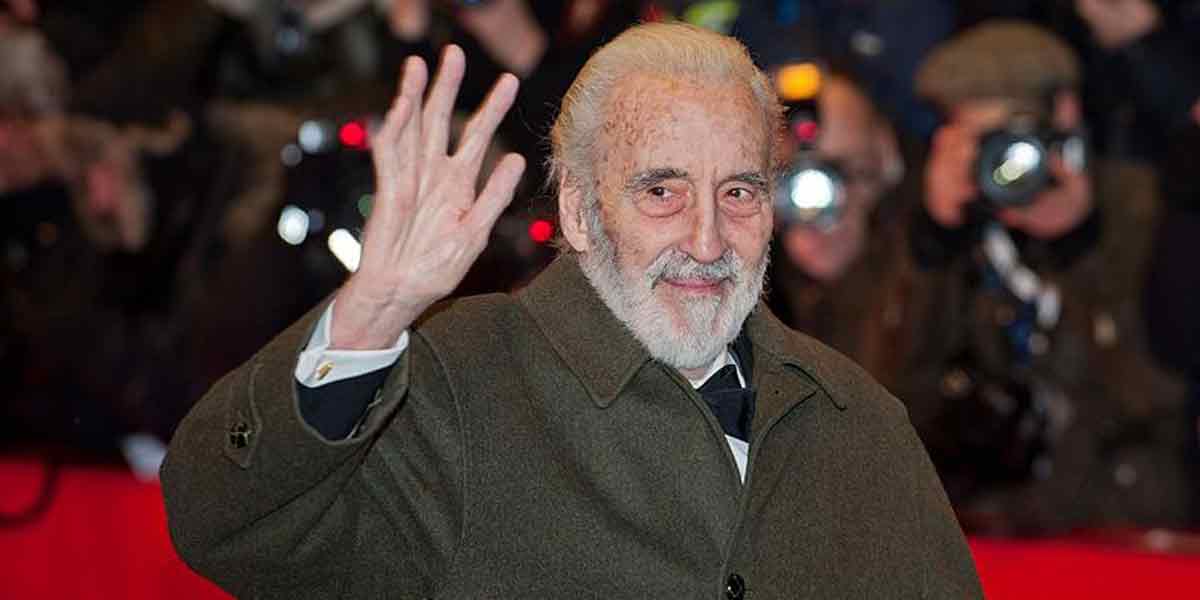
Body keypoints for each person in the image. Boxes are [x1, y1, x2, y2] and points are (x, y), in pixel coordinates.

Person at [161, 22, 981, 597]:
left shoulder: (858, 421)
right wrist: (369, 316)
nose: (706, 240)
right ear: (582, 213)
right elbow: (224, 523)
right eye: (661, 192)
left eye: (739, 192)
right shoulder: (454, 386)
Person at [901, 21, 1194, 533]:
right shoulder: (943, 223)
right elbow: (886, 395)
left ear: (1065, 113)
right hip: (979, 521)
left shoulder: (1141, 206)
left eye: (1013, 137)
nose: (1004, 164)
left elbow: (1157, 394)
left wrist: (1077, 250)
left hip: (1117, 518)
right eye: (981, 141)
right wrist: (935, 249)